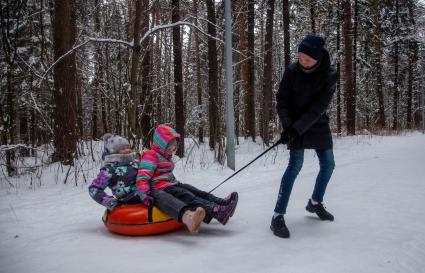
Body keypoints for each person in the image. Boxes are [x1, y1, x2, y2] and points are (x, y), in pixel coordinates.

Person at [271, 34, 337, 238]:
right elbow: (282, 101)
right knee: (295, 165)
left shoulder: (329, 75)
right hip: (294, 122)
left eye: (307, 59)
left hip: (316, 122)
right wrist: (289, 127)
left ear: (317, 59)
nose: (302, 62)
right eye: (300, 57)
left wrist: (295, 129)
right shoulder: (292, 71)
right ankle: (277, 216)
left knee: (328, 164)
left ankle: (315, 203)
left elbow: (318, 108)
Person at [89, 133, 206, 233]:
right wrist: (109, 201)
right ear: (113, 152)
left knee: (172, 190)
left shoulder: (134, 162)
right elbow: (94, 188)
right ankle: (187, 217)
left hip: (145, 189)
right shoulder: (109, 169)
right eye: (122, 149)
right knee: (159, 195)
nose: (127, 150)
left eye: (127, 147)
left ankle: (201, 209)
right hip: (130, 196)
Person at [136, 125, 238, 228]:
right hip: (161, 188)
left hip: (172, 184)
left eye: (173, 149)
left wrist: (175, 182)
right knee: (188, 196)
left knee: (196, 192)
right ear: (161, 145)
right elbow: (143, 175)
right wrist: (143, 193)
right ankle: (215, 210)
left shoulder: (165, 157)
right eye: (169, 149)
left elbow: (166, 174)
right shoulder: (151, 155)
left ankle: (222, 203)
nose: (171, 152)